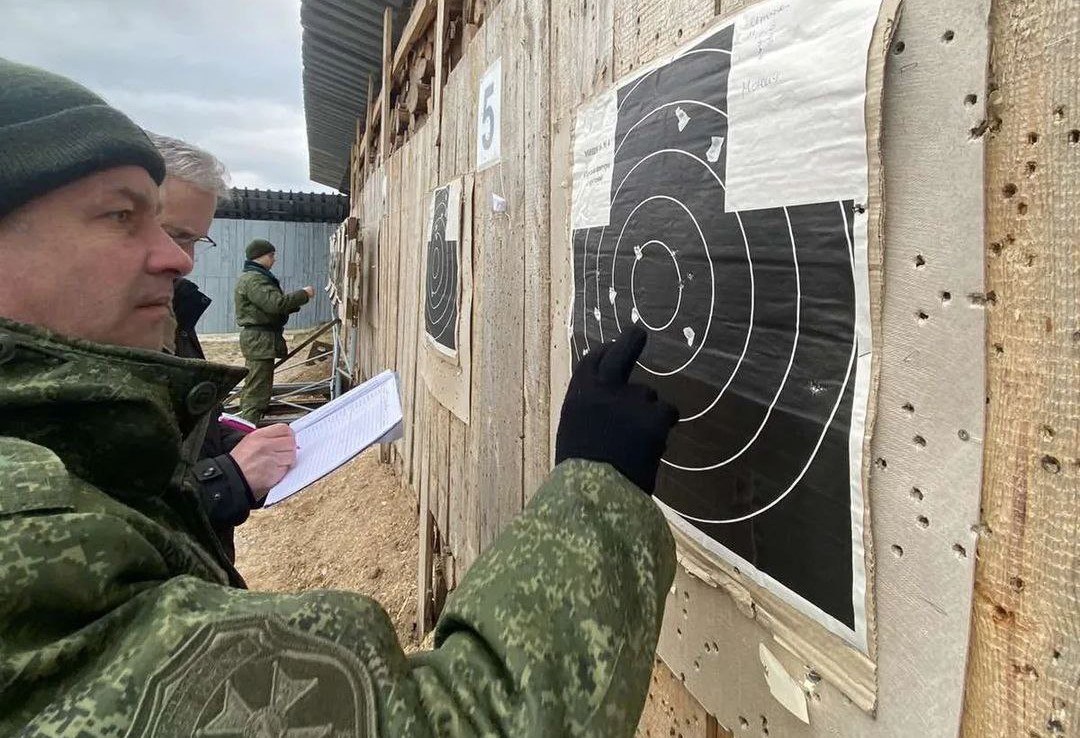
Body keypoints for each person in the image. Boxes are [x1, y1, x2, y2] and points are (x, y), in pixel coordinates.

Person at [0, 58, 680, 736]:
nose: (177, 259)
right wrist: (600, 482)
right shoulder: (25, 542)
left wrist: (205, 456)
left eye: (178, 233)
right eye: (121, 215)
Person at [149, 132, 298, 561]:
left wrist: (224, 438)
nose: (185, 259)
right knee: (256, 393)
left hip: (201, 569)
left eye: (194, 240)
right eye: (174, 234)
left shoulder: (173, 310)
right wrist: (228, 477)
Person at [234, 237, 314, 424]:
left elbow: (274, 306)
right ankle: (246, 431)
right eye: (271, 255)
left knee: (256, 386)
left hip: (261, 339)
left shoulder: (255, 278)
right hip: (259, 340)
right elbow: (276, 304)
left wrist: (291, 304)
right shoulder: (254, 280)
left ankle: (246, 426)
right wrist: (304, 294)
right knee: (257, 392)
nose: (274, 259)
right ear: (259, 257)